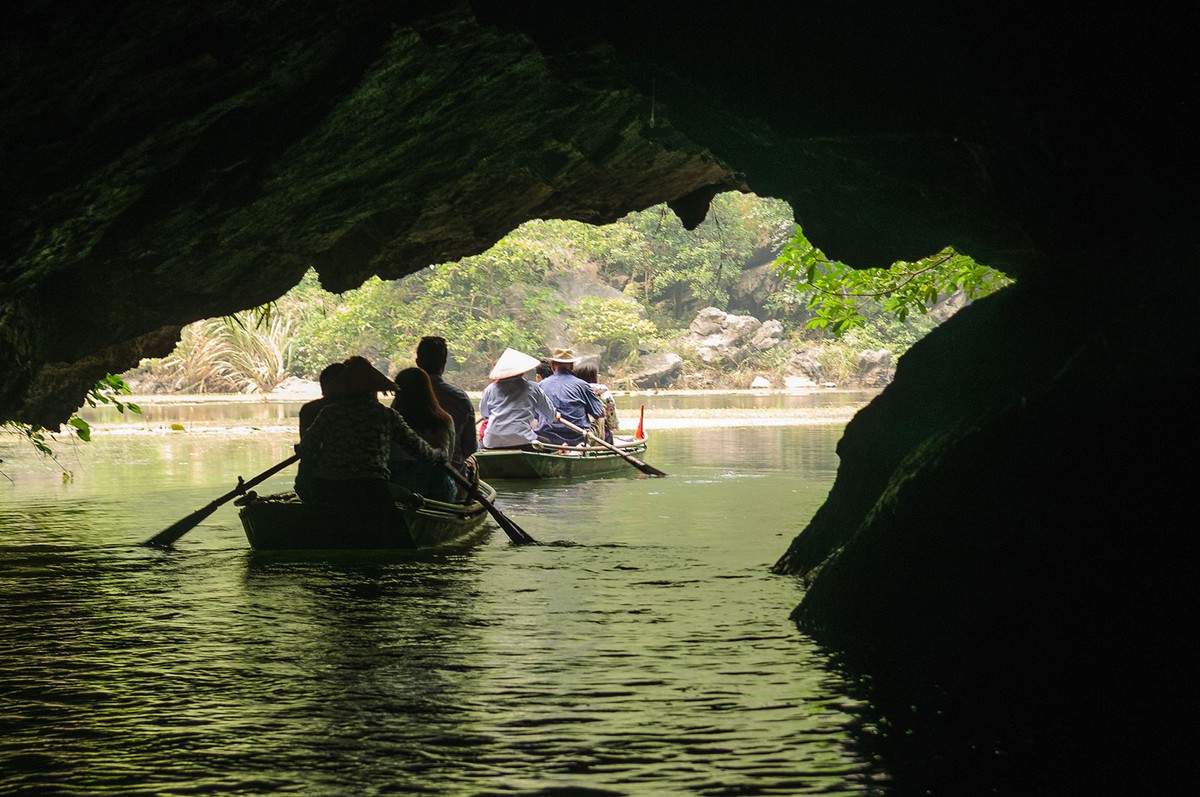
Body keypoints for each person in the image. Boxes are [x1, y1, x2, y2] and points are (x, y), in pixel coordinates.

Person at [299, 356, 446, 505]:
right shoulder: (386, 415)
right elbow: (418, 449)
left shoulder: (329, 413)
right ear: (373, 391)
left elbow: (306, 449)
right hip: (372, 488)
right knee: (409, 497)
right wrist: (437, 454)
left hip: (329, 487)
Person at [389, 367, 457, 502]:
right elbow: (448, 456)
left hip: (399, 486)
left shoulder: (391, 419)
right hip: (438, 489)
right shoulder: (444, 420)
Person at [414, 336, 477, 472]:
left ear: (417, 362)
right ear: (443, 364)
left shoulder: (403, 398)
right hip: (453, 473)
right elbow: (470, 448)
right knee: (473, 462)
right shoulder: (460, 398)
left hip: (412, 473)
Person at [478, 348, 557, 450]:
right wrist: (555, 415)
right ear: (522, 371)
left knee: (480, 444)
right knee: (547, 443)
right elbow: (550, 414)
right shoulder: (533, 388)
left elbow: (485, 413)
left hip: (492, 442)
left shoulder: (490, 389)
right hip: (523, 440)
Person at [294, 361, 347, 502]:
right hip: (319, 478)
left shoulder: (310, 409)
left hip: (312, 479)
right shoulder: (361, 411)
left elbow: (305, 448)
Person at [537, 348, 603, 446]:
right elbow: (599, 413)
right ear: (572, 366)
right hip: (577, 440)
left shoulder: (541, 385)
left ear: (552, 366)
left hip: (547, 439)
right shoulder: (582, 385)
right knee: (600, 419)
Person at [574, 363, 619, 444]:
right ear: (594, 376)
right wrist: (613, 426)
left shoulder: (573, 390)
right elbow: (611, 414)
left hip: (577, 432)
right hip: (599, 435)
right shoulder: (603, 391)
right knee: (608, 433)